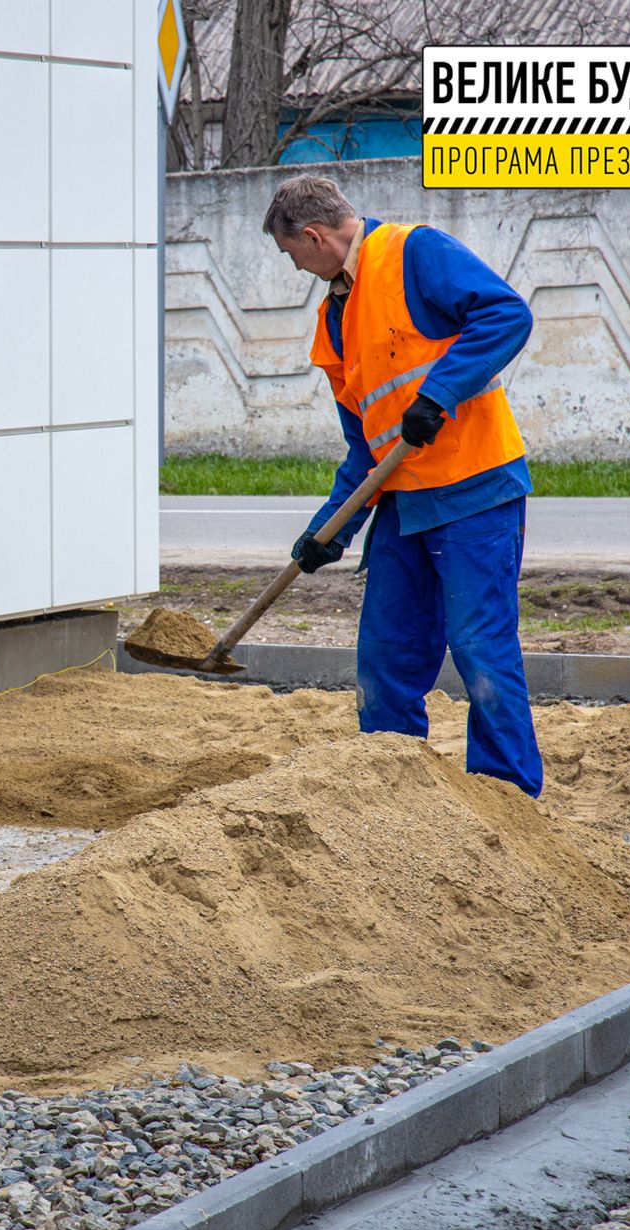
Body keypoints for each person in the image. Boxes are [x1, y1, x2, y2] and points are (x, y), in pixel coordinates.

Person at [262, 174, 543, 797]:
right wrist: (327, 532)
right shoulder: (334, 317)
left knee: (479, 649)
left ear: (312, 237)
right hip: (402, 505)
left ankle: (508, 798)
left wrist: (439, 395)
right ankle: (395, 797)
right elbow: (365, 446)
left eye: (291, 254)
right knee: (386, 659)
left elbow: (505, 315)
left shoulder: (415, 253)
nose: (295, 266)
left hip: (474, 489)